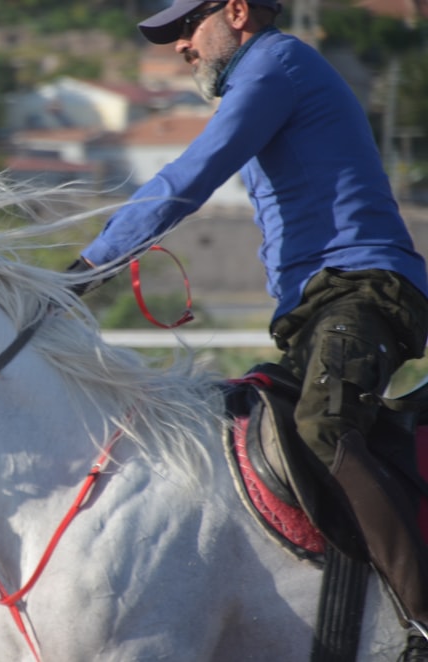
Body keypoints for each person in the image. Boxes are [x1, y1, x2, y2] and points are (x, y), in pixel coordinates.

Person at [68, 0, 428, 644]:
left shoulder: (277, 64)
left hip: (362, 290)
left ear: (236, 10)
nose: (179, 46)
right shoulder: (263, 77)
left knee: (324, 428)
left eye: (185, 28)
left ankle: (423, 623)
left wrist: (85, 271)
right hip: (318, 308)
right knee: (265, 442)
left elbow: (189, 176)